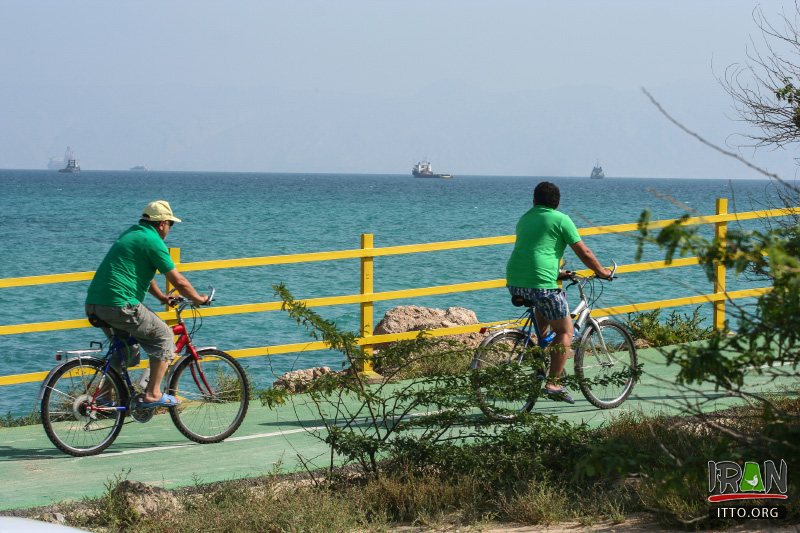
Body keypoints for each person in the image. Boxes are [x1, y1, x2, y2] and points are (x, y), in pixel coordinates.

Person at [85, 200, 208, 407]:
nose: (170, 229)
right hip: (120, 304)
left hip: (96, 303)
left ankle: (105, 397)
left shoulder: (132, 234)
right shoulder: (154, 241)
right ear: (162, 224)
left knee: (125, 351)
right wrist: (199, 299)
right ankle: (153, 393)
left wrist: (161, 297)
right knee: (164, 335)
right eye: (171, 224)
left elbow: (141, 273)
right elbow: (179, 281)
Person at [506, 181, 612, 404]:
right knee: (565, 331)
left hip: (516, 280)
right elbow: (584, 252)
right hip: (542, 282)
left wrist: (559, 272)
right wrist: (602, 272)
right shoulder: (561, 219)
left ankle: (541, 358)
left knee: (546, 313)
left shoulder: (525, 218)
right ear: (557, 203)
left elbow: (537, 250)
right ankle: (553, 383)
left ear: (534, 200)